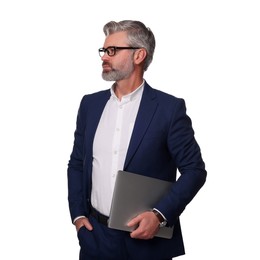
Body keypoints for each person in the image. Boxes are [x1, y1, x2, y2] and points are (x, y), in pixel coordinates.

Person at [67, 20, 207, 260]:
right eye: (104, 50)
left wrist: (160, 215)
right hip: (95, 238)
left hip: (147, 242)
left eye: (112, 50)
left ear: (139, 55)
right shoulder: (90, 105)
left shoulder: (169, 109)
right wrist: (78, 217)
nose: (104, 56)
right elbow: (78, 163)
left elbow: (194, 170)